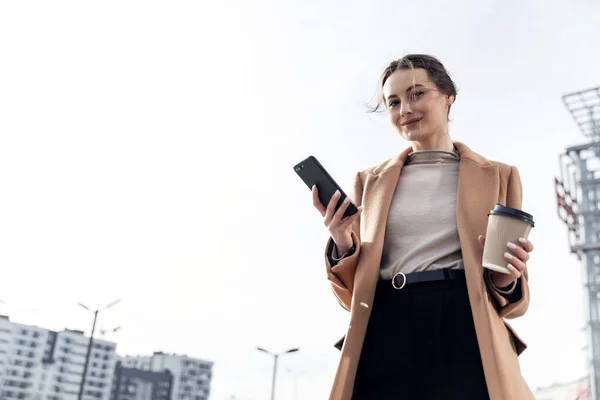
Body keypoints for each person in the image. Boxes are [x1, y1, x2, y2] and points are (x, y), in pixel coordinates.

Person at [311, 54, 535, 400]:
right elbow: (351, 296)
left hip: (465, 323)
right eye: (394, 102)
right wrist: (342, 242)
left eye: (417, 94)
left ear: (448, 96)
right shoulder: (368, 182)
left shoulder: (499, 176)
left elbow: (509, 298)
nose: (405, 110)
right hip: (387, 322)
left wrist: (507, 278)